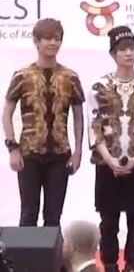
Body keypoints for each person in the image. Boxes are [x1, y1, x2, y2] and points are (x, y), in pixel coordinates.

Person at [87, 26, 134, 272]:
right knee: (108, 219)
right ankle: (109, 264)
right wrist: (110, 160)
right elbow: (94, 125)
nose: (129, 53)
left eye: (132, 48)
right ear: (113, 54)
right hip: (107, 163)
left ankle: (132, 265)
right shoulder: (99, 85)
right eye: (123, 49)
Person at [1, 18, 84, 227]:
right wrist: (12, 148)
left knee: (53, 216)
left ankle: (52, 251)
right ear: (36, 41)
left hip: (60, 155)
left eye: (57, 38)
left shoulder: (70, 77)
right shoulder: (22, 76)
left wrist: (78, 151)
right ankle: (25, 251)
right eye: (47, 38)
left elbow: (78, 116)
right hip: (29, 154)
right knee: (28, 213)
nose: (53, 43)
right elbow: (7, 114)